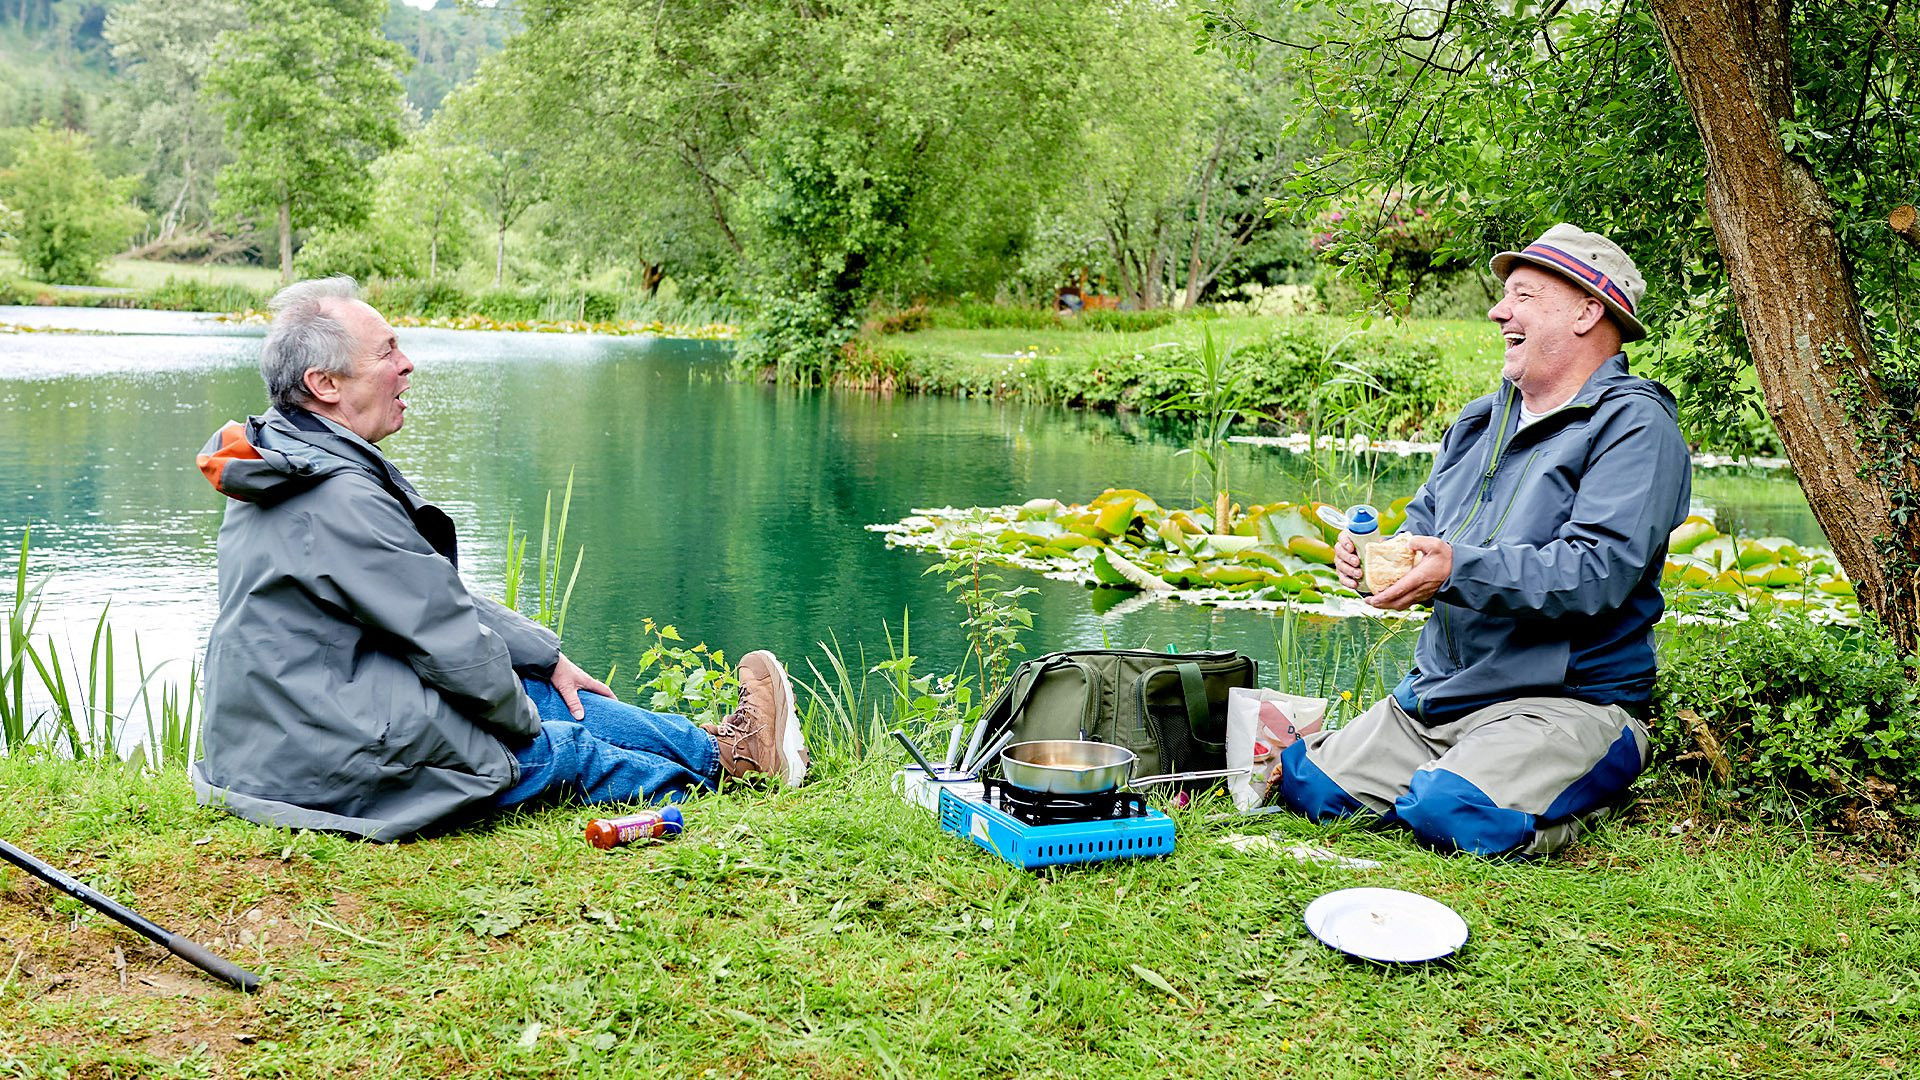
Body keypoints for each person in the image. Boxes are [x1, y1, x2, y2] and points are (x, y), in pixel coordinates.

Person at [190, 276, 808, 842]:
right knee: (559, 745)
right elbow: (447, 638)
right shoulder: (335, 494)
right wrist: (521, 724)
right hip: (321, 759)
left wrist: (544, 657)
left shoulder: (284, 461)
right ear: (325, 385)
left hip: (286, 734)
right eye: (386, 353)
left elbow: (418, 589)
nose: (407, 365)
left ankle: (726, 751)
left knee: (544, 692)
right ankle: (730, 774)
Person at [1269, 224, 1691, 857]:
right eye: (1505, 297)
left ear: (1587, 311)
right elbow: (1425, 534)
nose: (1499, 311)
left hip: (1564, 704)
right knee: (1310, 787)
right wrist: (1380, 562)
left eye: (1522, 295)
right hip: (1441, 697)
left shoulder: (1635, 424)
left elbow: (1596, 571)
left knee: (1451, 813)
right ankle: (1455, 776)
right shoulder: (1478, 421)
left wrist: (1454, 567)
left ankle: (1554, 800)